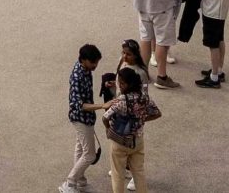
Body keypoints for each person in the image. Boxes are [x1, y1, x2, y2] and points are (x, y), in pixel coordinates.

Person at [96, 67, 158, 193]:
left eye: (121, 83)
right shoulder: (144, 97)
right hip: (138, 140)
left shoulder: (121, 101)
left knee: (118, 174)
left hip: (120, 141)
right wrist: (141, 120)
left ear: (125, 84)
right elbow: (157, 113)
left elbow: (105, 117)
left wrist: (108, 129)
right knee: (139, 173)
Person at [58, 45, 102, 193]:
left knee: (80, 149)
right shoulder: (77, 76)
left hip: (85, 118)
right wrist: (102, 106)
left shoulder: (85, 69)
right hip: (81, 118)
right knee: (90, 154)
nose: (95, 65)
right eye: (93, 62)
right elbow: (79, 105)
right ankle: (70, 183)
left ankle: (80, 181)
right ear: (83, 60)